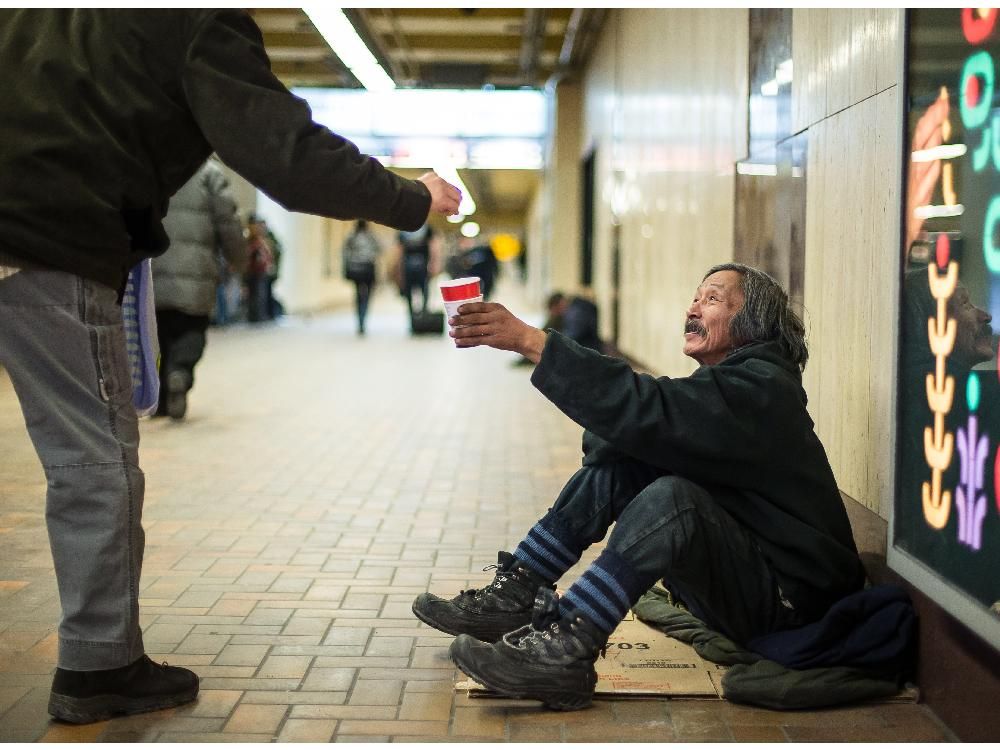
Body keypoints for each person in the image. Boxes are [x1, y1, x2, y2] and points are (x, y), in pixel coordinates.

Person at [0, 8, 460, 725]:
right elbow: (285, 151)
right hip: (46, 238)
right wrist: (411, 198)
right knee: (94, 459)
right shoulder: (195, 18)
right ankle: (99, 665)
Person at [412, 263, 865, 710]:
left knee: (674, 499)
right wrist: (633, 432)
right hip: (754, 587)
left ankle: (568, 647)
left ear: (752, 324)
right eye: (695, 296)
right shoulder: (729, 387)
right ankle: (519, 590)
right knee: (632, 460)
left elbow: (645, 412)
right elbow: (622, 434)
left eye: (711, 299)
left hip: (793, 609)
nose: (693, 308)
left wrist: (533, 341)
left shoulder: (762, 392)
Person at [152, 158, 246, 420]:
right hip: (197, 272)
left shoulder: (153, 164)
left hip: (153, 267)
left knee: (158, 337)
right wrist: (238, 260)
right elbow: (228, 221)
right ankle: (180, 372)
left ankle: (159, 401)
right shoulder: (210, 172)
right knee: (190, 330)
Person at [342, 219, 382, 335]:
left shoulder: (351, 237)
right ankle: (363, 318)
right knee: (367, 296)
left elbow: (345, 252)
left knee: (358, 295)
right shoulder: (371, 237)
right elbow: (380, 249)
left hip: (355, 269)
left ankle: (360, 320)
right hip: (368, 269)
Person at [244, 214, 274, 323]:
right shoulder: (253, 240)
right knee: (254, 295)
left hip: (260, 271)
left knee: (260, 295)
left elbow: (268, 256)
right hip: (253, 270)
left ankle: (259, 316)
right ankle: (255, 316)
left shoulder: (262, 241)